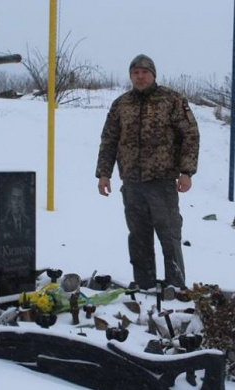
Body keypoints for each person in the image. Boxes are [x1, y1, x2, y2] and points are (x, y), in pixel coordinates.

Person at [95, 54, 199, 290]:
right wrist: (104, 173)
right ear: (131, 75)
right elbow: (109, 140)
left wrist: (186, 171)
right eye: (135, 72)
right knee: (139, 238)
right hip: (132, 184)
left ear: (153, 74)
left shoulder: (171, 100)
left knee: (169, 237)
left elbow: (190, 135)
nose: (140, 76)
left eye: (144, 72)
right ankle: (144, 287)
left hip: (161, 183)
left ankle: (175, 288)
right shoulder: (121, 104)